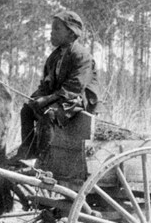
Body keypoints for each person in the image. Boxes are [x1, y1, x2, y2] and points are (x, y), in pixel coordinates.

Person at [16, 10, 99, 163]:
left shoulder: (82, 56)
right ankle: (27, 152)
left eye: (56, 29)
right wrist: (37, 98)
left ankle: (43, 162)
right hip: (60, 99)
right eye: (51, 29)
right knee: (27, 110)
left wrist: (46, 100)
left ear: (71, 33)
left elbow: (74, 88)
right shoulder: (54, 57)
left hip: (79, 100)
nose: (51, 33)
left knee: (50, 114)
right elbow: (46, 85)